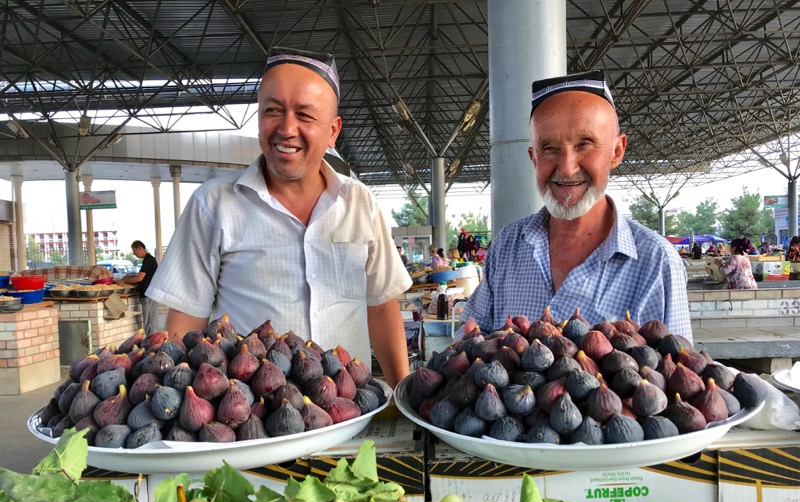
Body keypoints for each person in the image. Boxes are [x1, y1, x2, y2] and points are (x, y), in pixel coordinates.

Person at [146, 47, 412, 387]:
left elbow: (380, 306)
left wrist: (403, 394)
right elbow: (185, 324)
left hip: (350, 410)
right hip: (252, 420)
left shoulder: (360, 203)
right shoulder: (213, 204)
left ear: (332, 131)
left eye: (304, 115)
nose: (286, 128)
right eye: (273, 111)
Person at [460, 70, 693, 341]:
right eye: (549, 148)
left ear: (617, 151)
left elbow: (679, 367)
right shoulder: (507, 247)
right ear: (534, 158)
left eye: (584, 144)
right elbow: (472, 340)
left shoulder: (657, 262)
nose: (567, 168)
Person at [121, 241, 159, 335]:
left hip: (148, 295)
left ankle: (152, 343)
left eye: (134, 251)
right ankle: (153, 342)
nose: (134, 254)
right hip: (150, 294)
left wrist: (124, 281)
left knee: (149, 322)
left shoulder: (148, 260)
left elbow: (139, 278)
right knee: (151, 320)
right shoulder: (149, 260)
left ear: (140, 248)